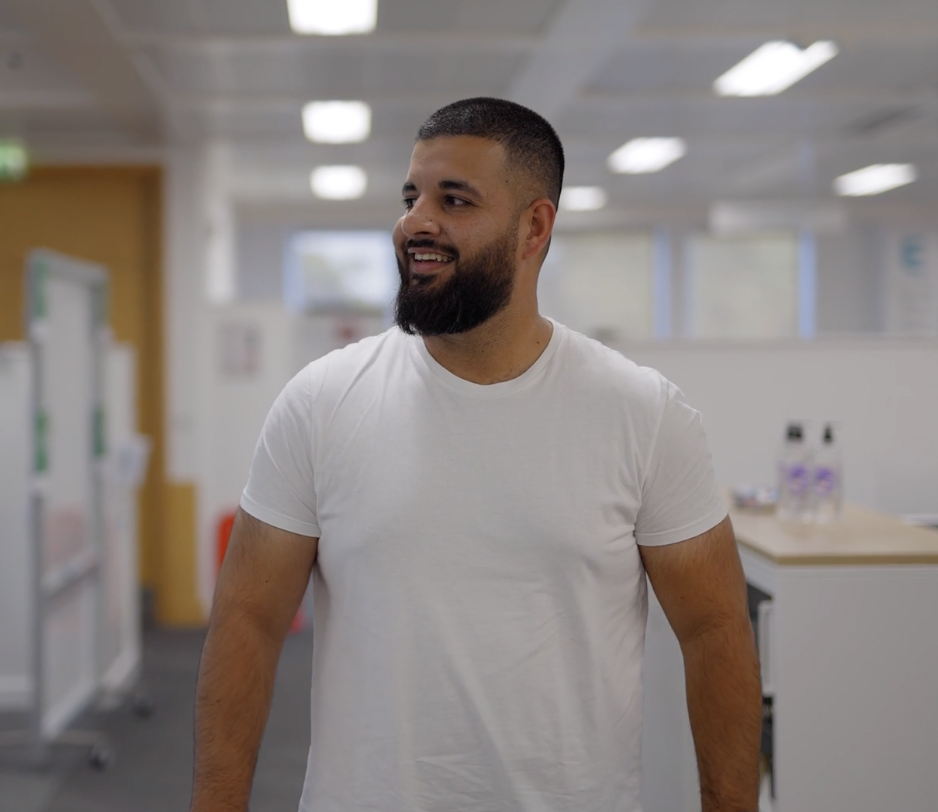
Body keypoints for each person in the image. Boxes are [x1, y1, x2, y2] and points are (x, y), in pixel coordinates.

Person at [191, 97, 762, 812]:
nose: (415, 222)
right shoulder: (321, 402)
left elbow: (715, 630)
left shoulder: (642, 414)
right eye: (411, 197)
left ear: (535, 226)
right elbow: (248, 617)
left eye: (453, 199)